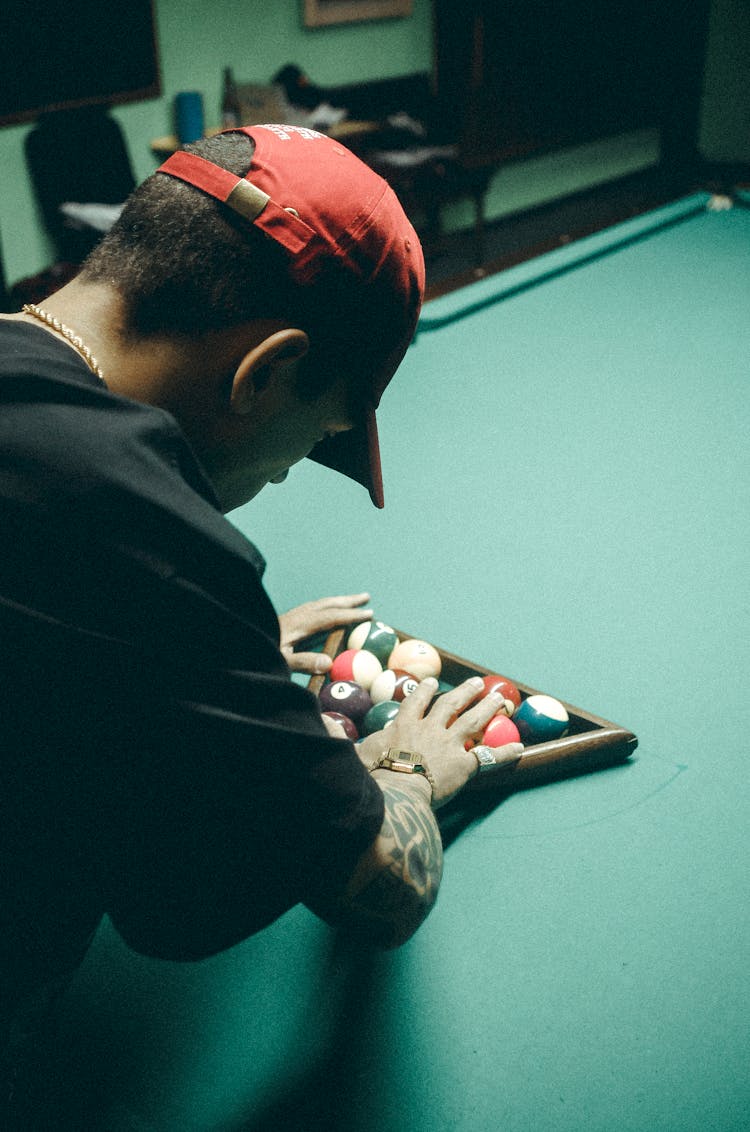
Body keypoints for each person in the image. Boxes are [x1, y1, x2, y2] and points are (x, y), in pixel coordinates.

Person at [0, 124, 522, 1116]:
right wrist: (409, 775)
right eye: (313, 439)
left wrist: (192, 661)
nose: (284, 472)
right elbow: (374, 885)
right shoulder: (137, 526)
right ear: (264, 373)